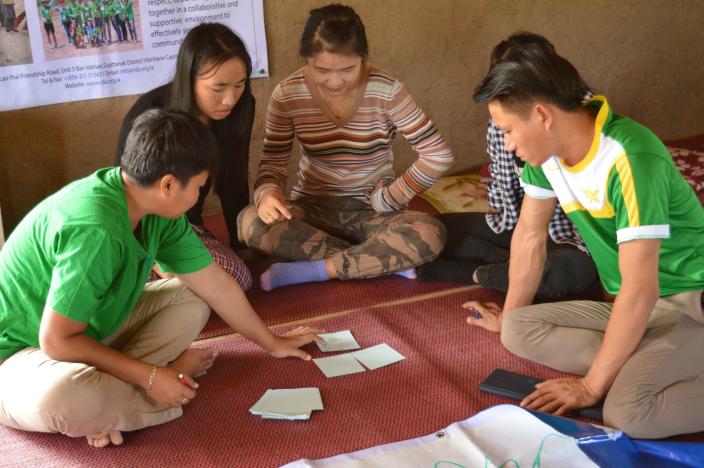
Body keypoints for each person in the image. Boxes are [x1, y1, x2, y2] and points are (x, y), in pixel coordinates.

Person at [0, 109, 323, 448]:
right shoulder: (95, 229)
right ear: (168, 184)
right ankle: (128, 400)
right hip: (21, 356)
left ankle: (119, 406)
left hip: (92, 331)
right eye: (199, 187)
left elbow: (213, 283)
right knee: (68, 397)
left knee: (193, 297)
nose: (200, 196)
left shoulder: (154, 208)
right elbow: (56, 341)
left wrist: (271, 342)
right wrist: (151, 376)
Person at [467, 36, 704, 439]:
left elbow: (640, 290)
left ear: (541, 114)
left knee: (628, 414)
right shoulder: (548, 154)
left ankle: (648, 366)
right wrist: (509, 315)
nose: (506, 144)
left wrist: (592, 386)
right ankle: (647, 362)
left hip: (689, 304)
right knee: (518, 328)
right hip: (642, 311)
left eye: (507, 130)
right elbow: (528, 235)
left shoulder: (629, 159)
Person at [237, 3, 453, 291]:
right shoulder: (287, 94)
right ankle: (378, 260)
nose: (335, 81)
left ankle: (316, 269)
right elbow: (273, 162)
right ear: (306, 59)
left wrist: (388, 199)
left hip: (372, 210)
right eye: (322, 70)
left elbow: (438, 154)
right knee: (249, 221)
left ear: (363, 59)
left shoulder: (387, 89)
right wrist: (268, 195)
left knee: (430, 232)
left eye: (348, 69)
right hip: (311, 208)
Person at [418, 33, 598, 299]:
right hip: (520, 226)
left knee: (570, 271)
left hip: (571, 238)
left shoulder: (579, 125)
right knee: (429, 232)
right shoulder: (506, 116)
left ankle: (488, 272)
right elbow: (513, 204)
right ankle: (509, 263)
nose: (509, 143)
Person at [116, 23, 254, 291]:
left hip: (187, 228)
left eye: (240, 84)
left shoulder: (241, 107)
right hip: (141, 233)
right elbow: (124, 194)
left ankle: (152, 290)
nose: (230, 99)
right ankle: (142, 280)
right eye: (218, 88)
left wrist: (240, 245)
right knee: (219, 283)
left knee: (239, 277)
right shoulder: (149, 114)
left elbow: (233, 176)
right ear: (190, 77)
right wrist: (154, 258)